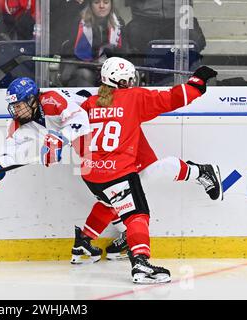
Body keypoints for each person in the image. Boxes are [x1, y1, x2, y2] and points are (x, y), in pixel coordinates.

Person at [73, 57, 218, 284]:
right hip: (118, 173)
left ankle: (84, 242)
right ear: (123, 81)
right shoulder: (134, 97)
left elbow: (76, 137)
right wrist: (197, 83)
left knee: (110, 202)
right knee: (136, 215)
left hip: (90, 174)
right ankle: (140, 263)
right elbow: (172, 99)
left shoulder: (89, 104)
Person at [60, 0, 126, 87]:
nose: (102, 6)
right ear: (90, 5)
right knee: (84, 74)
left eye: (106, 2)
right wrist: (94, 65)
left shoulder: (119, 23)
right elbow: (70, 53)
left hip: (109, 70)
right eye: (97, 2)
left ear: (111, 5)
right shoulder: (77, 22)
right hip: (82, 68)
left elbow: (124, 52)